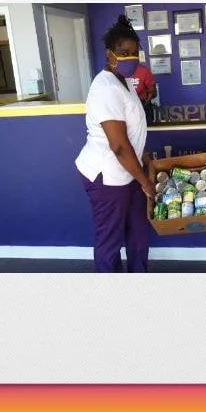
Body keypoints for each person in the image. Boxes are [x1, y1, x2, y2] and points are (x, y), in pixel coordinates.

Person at [74, 15, 155, 273]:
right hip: (107, 176)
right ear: (110, 54)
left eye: (134, 52)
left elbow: (130, 133)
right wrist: (145, 182)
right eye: (123, 52)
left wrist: (142, 156)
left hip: (129, 172)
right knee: (110, 240)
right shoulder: (106, 87)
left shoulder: (125, 83)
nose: (130, 57)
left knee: (138, 234)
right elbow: (119, 146)